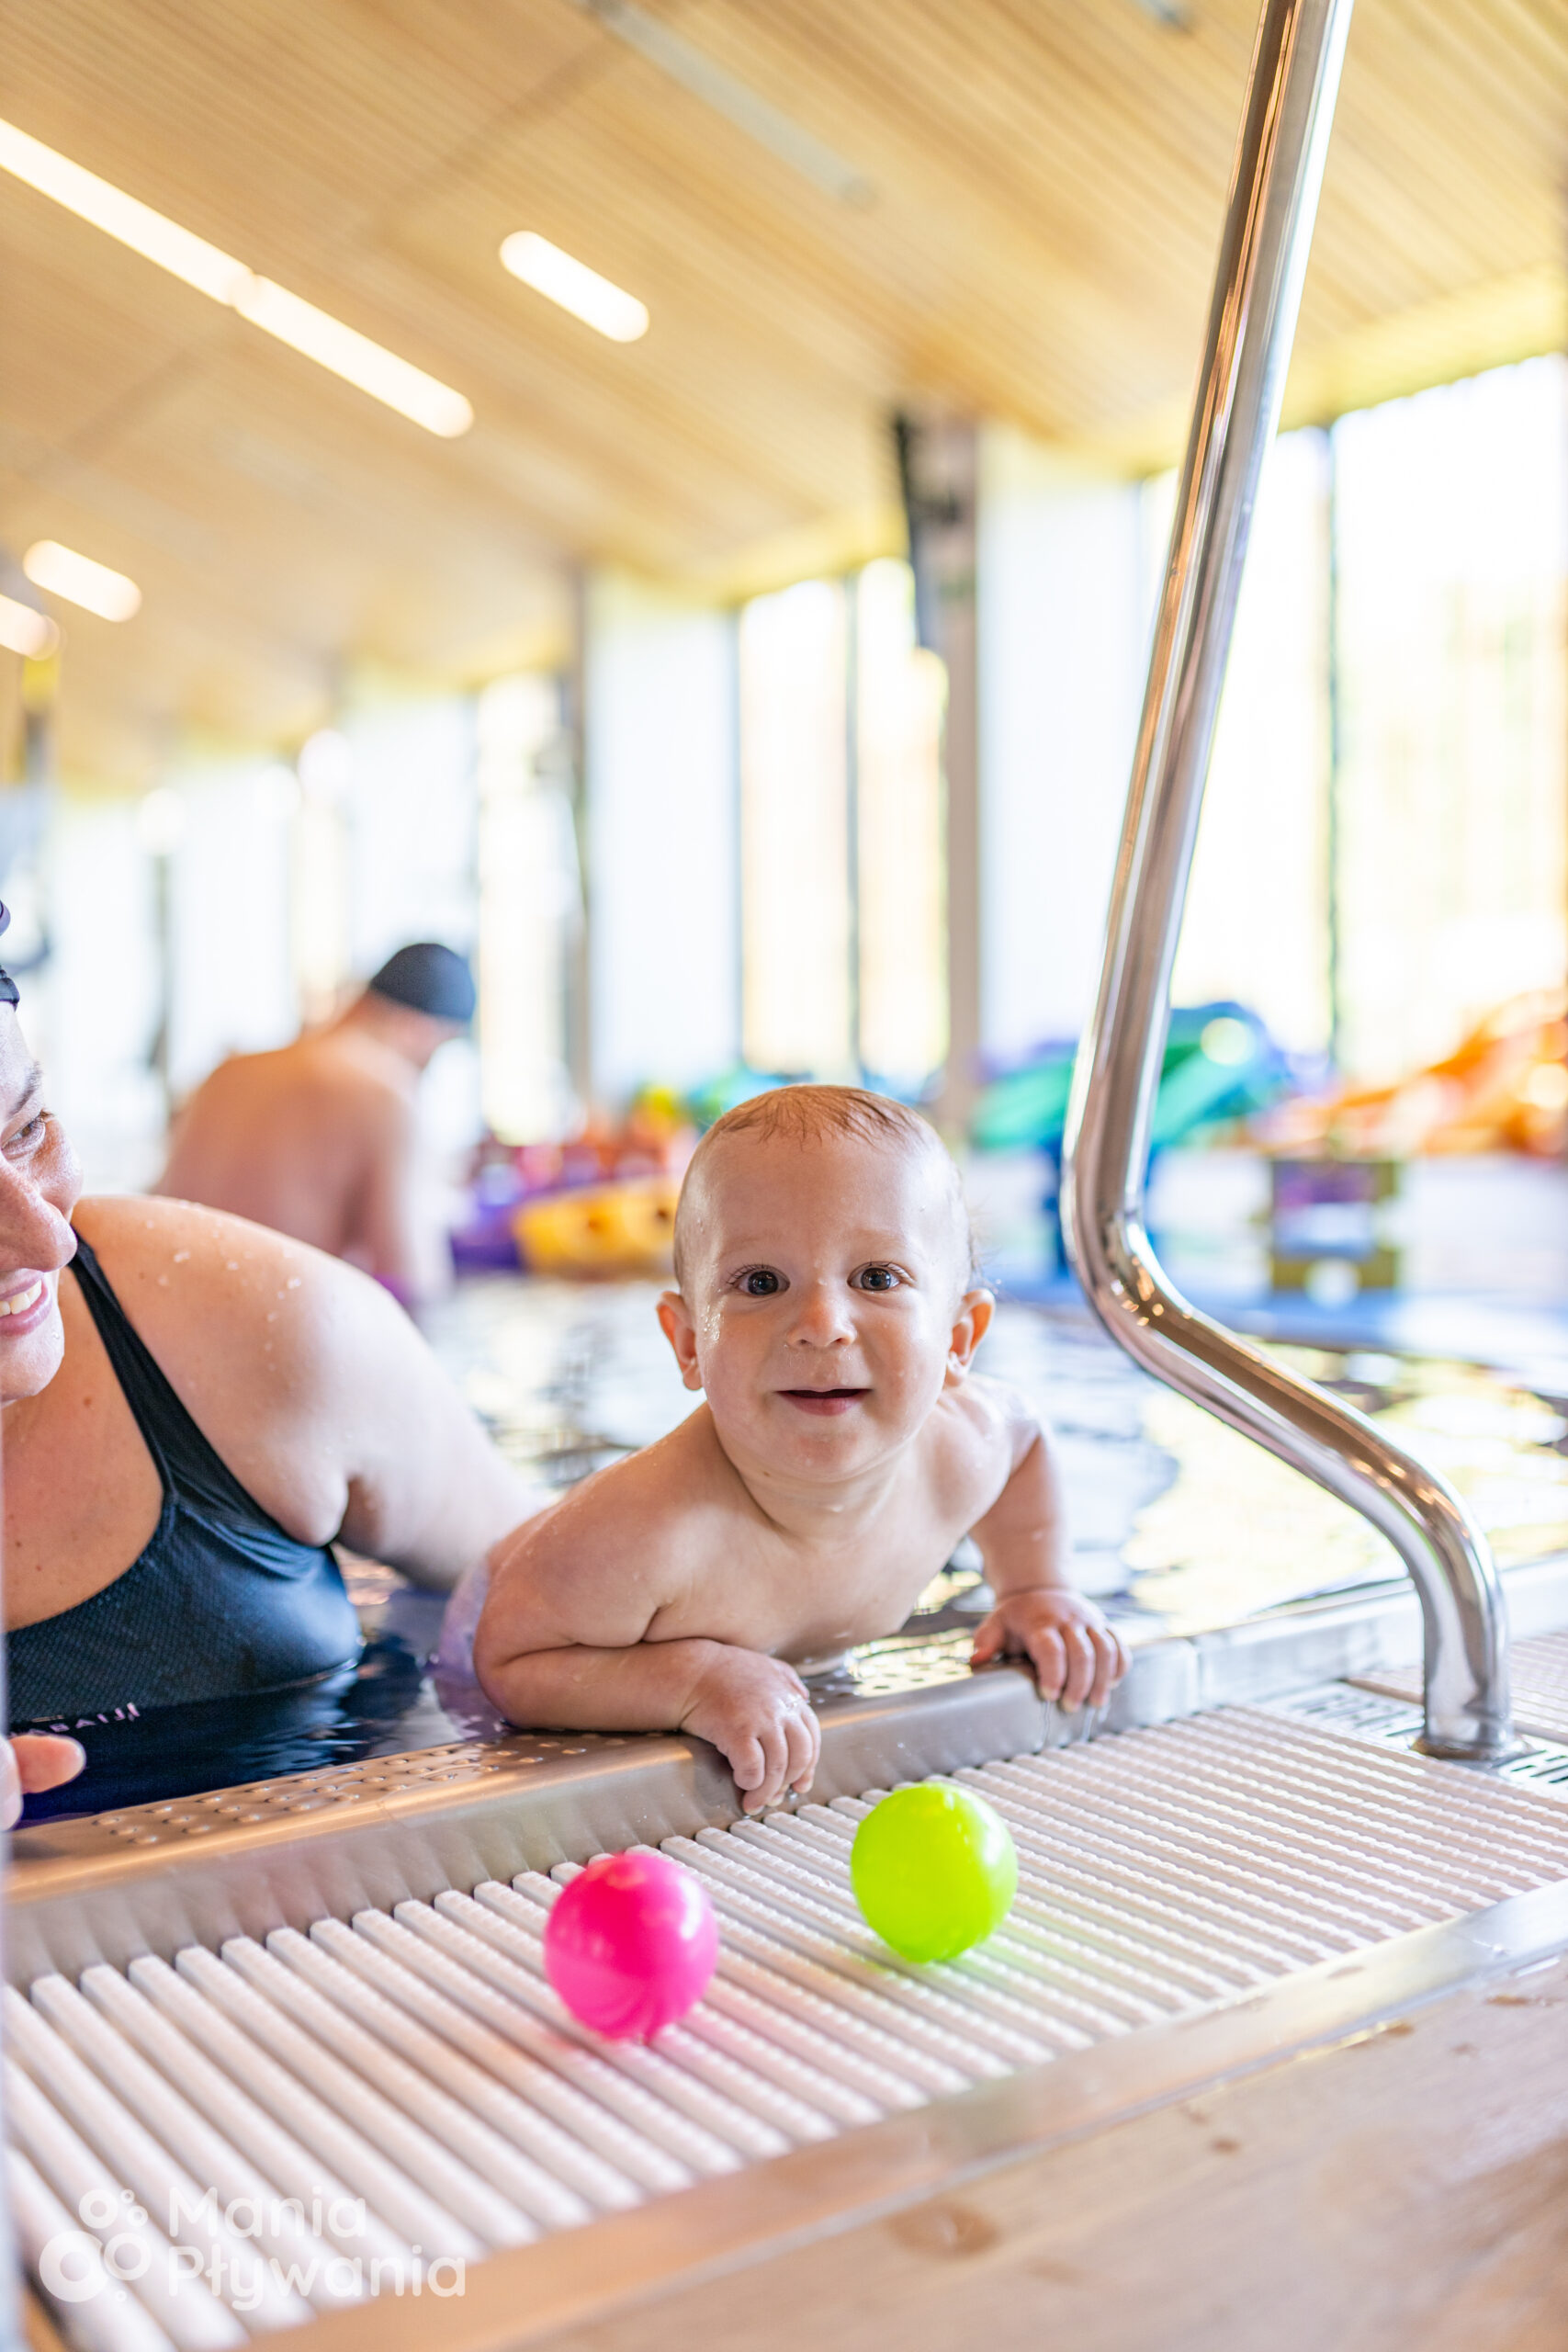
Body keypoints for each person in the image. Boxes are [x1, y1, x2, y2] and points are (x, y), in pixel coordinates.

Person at [475, 1085, 1129, 1813]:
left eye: (877, 1278)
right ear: (689, 1343)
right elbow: (509, 1659)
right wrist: (691, 1681)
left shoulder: (961, 1450)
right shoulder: (646, 1532)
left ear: (958, 1340)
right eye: (761, 1283)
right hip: (546, 1608)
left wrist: (1034, 1587)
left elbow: (1026, 1438)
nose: (821, 1325)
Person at [0, 909, 533, 1771]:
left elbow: (558, 1586)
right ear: (426, 1029)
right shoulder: (383, 1095)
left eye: (29, 1129)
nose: (49, 1241)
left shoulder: (274, 1295)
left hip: (231, 1373)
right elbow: (418, 1274)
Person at [156, 942, 475, 1306]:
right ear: (417, 1029)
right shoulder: (386, 1092)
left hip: (163, 1326)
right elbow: (414, 1283)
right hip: (268, 1338)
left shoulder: (226, 1073)